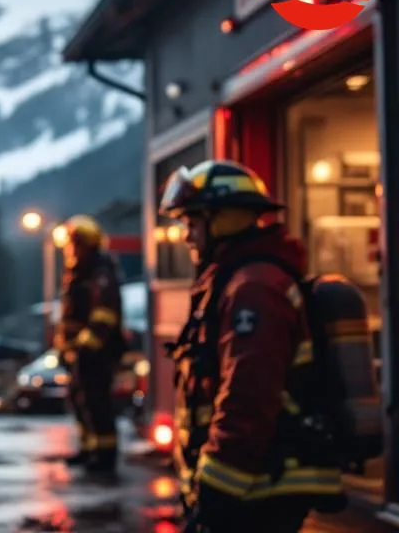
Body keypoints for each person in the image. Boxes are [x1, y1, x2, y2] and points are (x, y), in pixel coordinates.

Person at [160, 159, 344, 532]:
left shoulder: (254, 288)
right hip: (253, 480)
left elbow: (249, 392)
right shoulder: (236, 280)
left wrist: (218, 488)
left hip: (257, 484)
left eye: (192, 222)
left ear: (224, 220)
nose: (186, 236)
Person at [53, 214, 124, 475]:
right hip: (80, 351)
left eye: (74, 245)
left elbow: (104, 315)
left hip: (97, 353)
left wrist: (87, 346)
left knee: (97, 403)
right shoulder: (79, 273)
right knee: (79, 401)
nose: (70, 251)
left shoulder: (100, 272)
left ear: (87, 245)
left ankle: (105, 457)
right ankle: (88, 449)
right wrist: (65, 348)